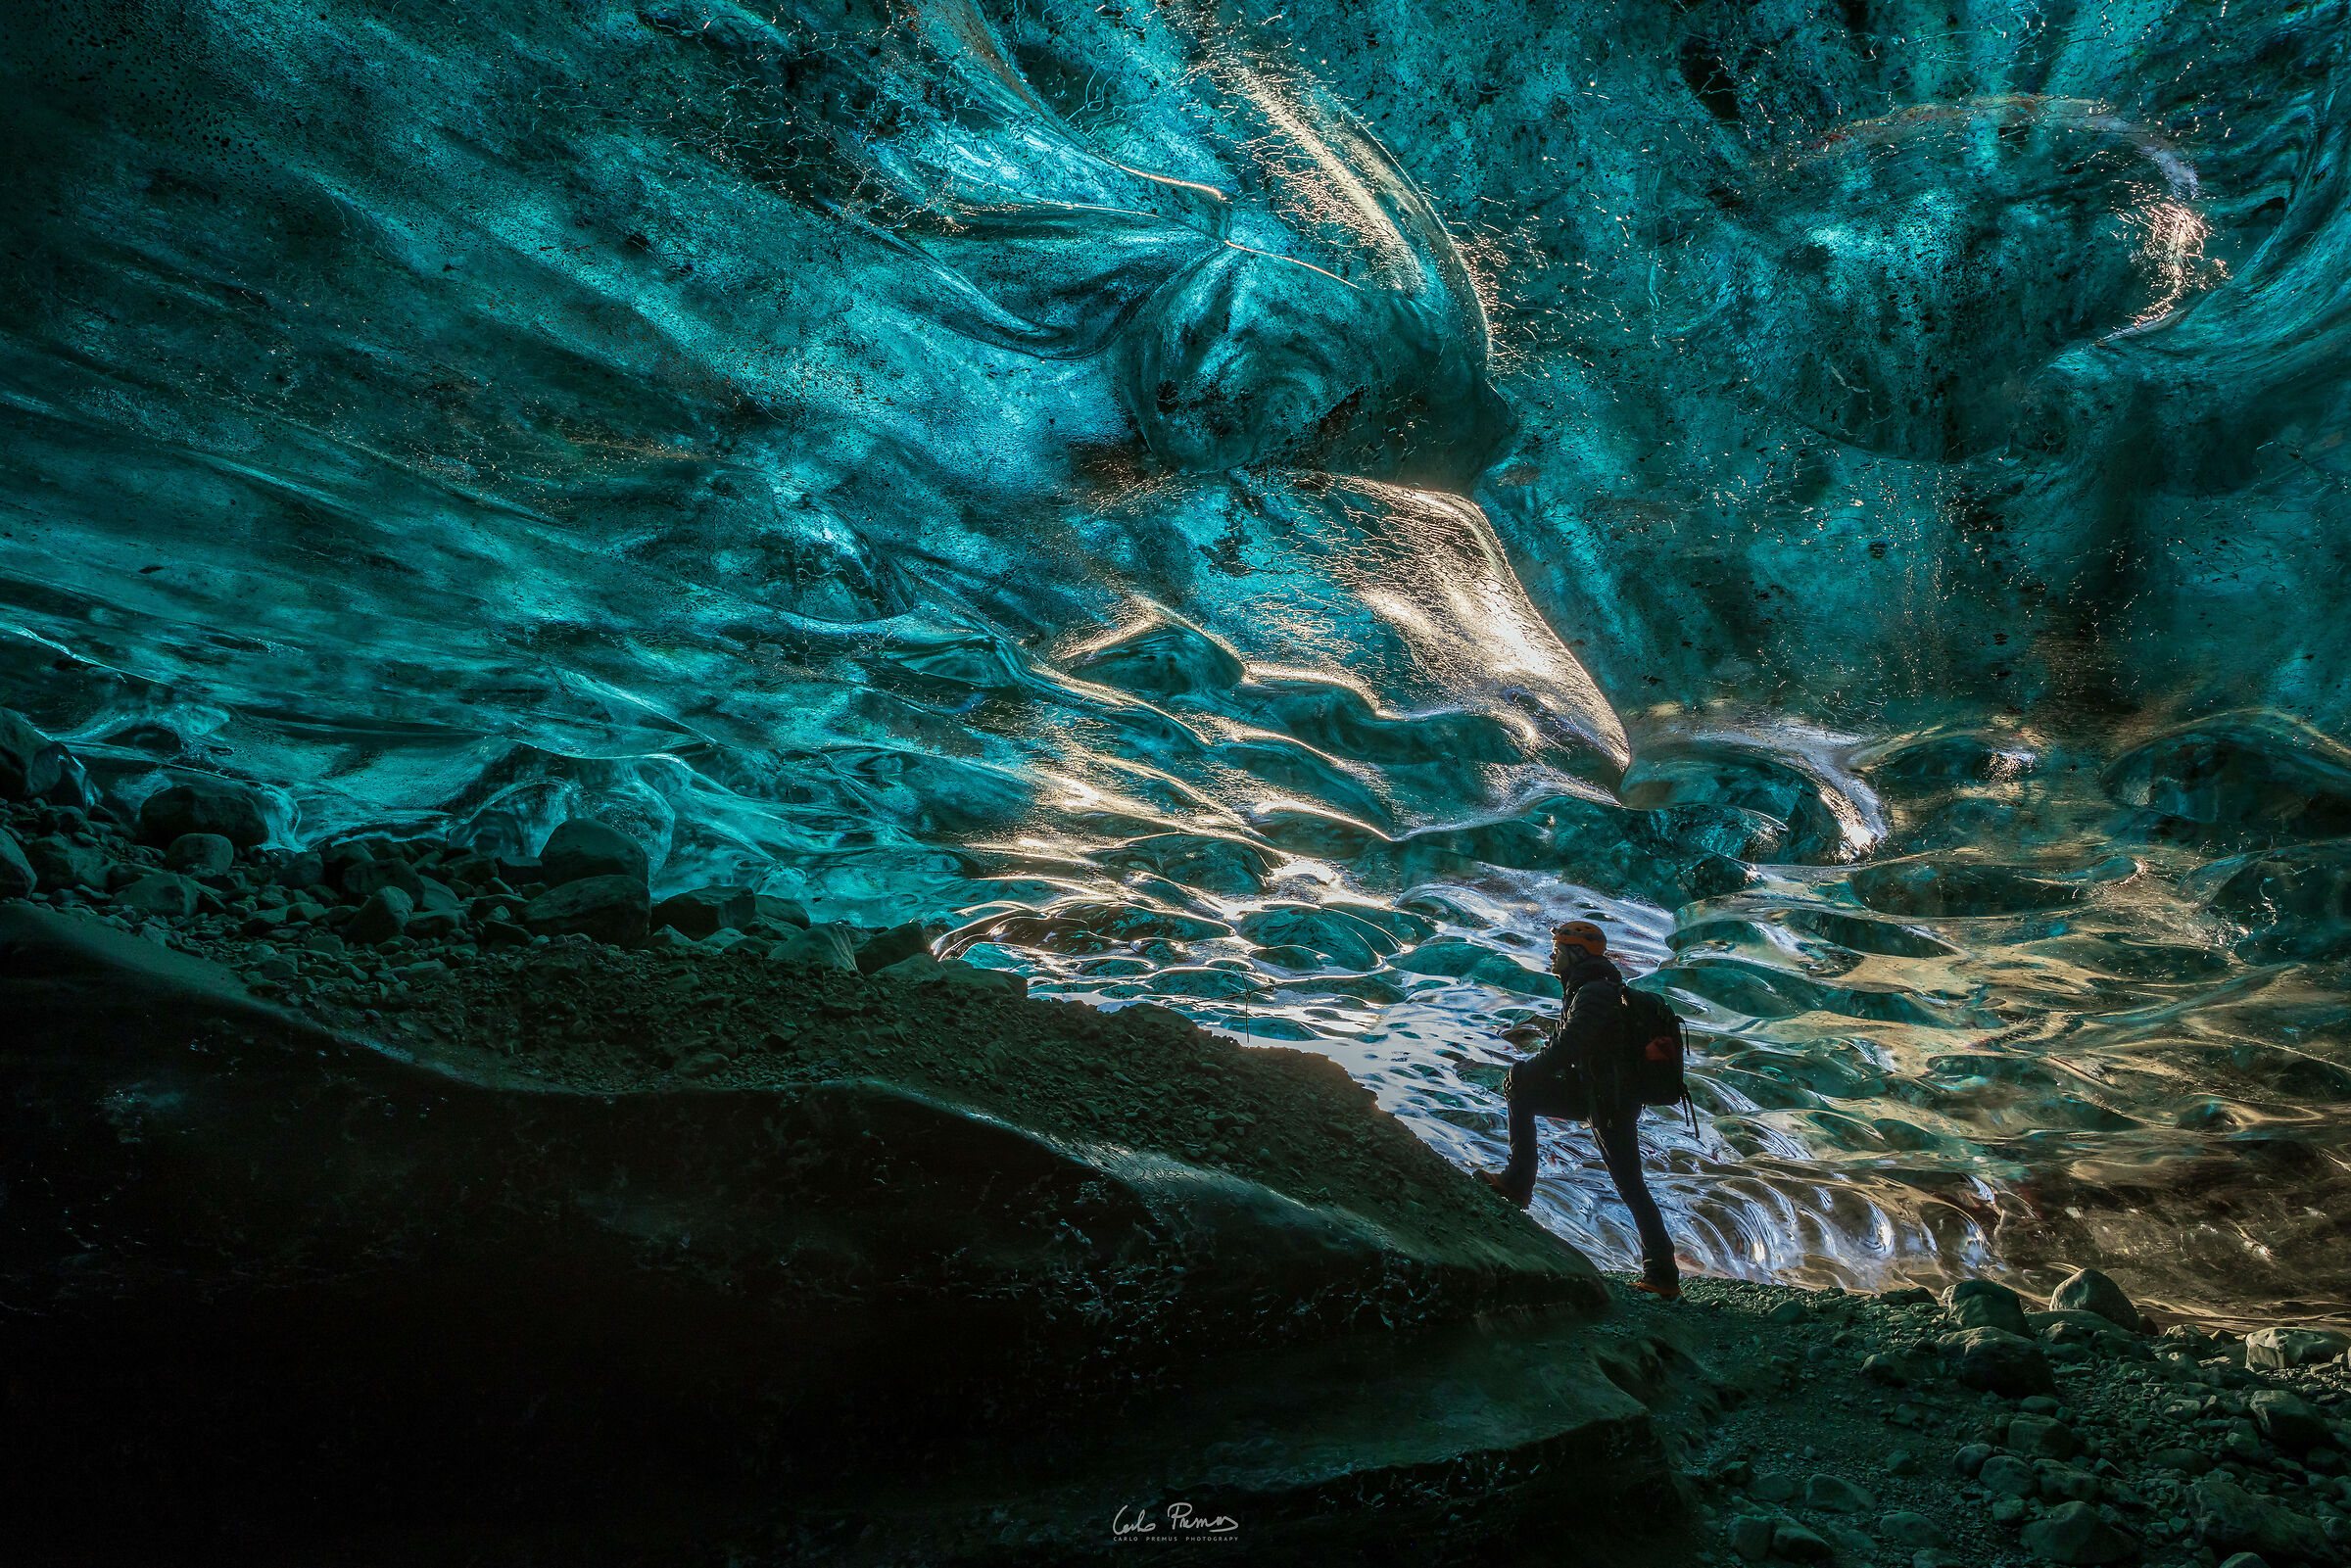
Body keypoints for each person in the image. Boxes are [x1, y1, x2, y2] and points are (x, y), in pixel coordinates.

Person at [1475, 921, 1682, 1301]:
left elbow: (1569, 1045)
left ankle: (1663, 1275)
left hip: (1609, 1100)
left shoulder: (1594, 992)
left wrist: (1526, 1071)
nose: (1551, 956)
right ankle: (1517, 1182)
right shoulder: (1587, 989)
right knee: (1523, 1094)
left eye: (1558, 950)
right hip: (1595, 1092)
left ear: (1577, 953)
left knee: (1630, 1185)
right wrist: (1526, 1075)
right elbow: (1569, 1045)